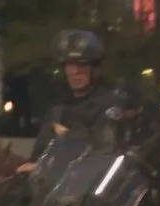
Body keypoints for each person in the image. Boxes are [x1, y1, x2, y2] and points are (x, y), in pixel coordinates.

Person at [18, 29, 114, 172]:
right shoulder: (57, 109)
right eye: (70, 65)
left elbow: (103, 155)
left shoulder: (110, 106)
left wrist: (46, 167)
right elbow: (38, 153)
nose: (75, 71)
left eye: (82, 64)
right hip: (51, 188)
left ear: (95, 68)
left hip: (90, 187)